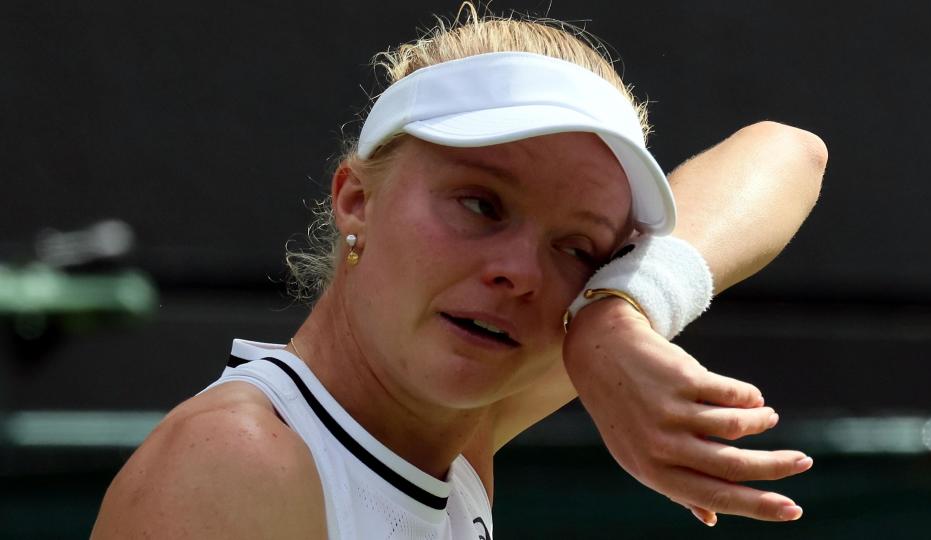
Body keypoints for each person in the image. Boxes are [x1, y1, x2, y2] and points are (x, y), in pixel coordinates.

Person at [91, 8, 826, 539]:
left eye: (578, 248)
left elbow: (790, 152)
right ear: (356, 198)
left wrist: (619, 311)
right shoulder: (237, 462)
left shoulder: (451, 429)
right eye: (481, 204)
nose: (520, 273)